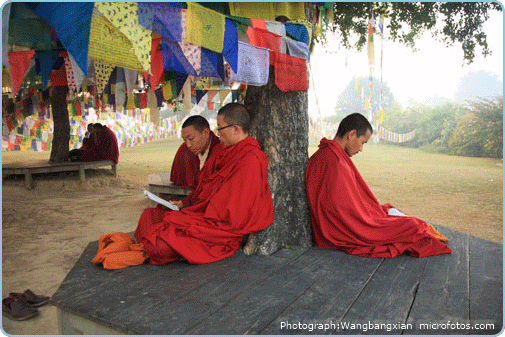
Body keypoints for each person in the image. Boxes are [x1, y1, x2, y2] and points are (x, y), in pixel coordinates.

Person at [134, 103, 274, 265]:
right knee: (149, 216)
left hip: (218, 227)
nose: (218, 133)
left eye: (220, 128)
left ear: (236, 129)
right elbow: (205, 187)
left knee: (157, 247)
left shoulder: (251, 159)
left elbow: (235, 214)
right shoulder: (222, 151)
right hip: (201, 215)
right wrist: (187, 204)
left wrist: (194, 216)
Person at [305, 112, 452, 258]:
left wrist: (369, 209)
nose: (361, 149)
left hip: (351, 218)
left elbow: (347, 199)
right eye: (362, 142)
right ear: (351, 134)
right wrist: (369, 216)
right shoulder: (333, 160)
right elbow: (341, 207)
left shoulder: (330, 154)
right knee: (413, 226)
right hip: (347, 227)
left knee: (392, 213)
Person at [170, 115, 221, 190]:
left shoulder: (220, 149)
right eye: (185, 140)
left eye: (191, 139)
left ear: (206, 133)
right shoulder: (184, 150)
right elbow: (177, 179)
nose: (188, 145)